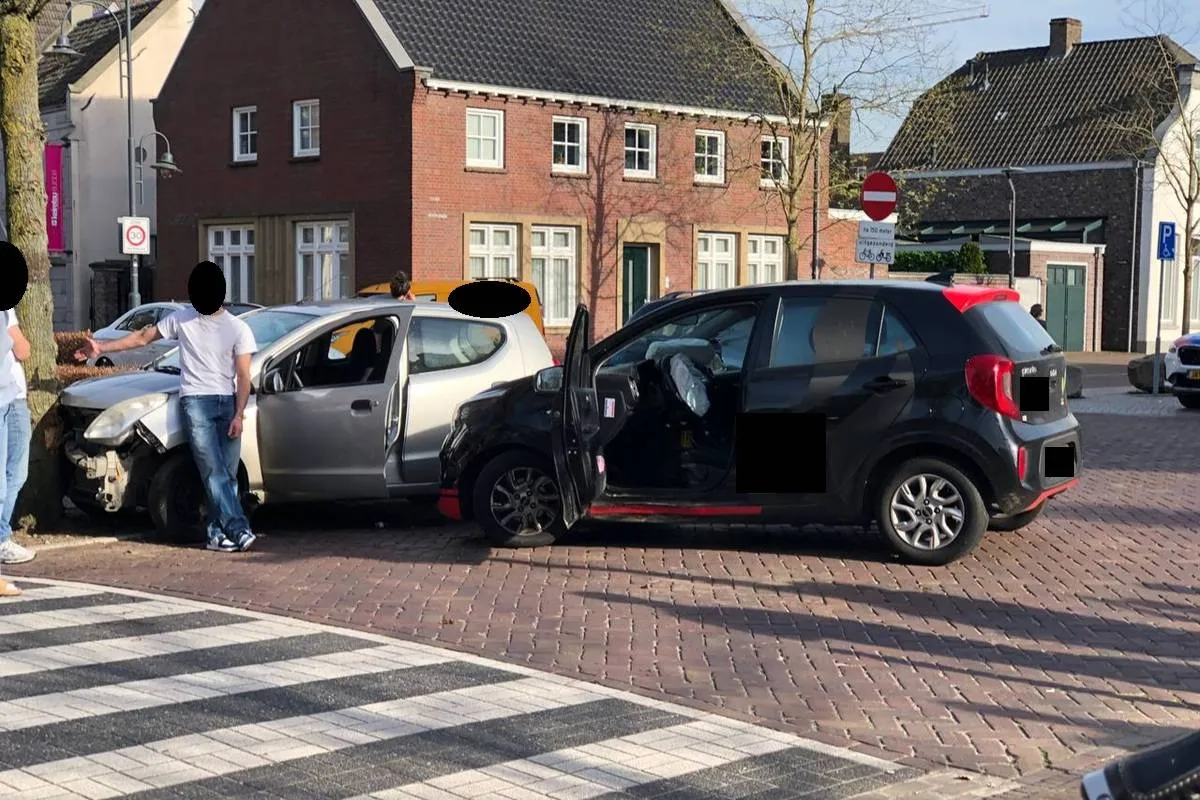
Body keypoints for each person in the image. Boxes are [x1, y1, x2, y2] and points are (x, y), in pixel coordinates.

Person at [76, 262, 258, 552]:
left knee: (227, 474)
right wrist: (101, 347)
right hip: (195, 401)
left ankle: (215, 533)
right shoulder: (182, 319)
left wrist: (239, 413)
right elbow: (142, 337)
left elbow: (244, 375)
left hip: (226, 401)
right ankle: (238, 528)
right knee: (213, 471)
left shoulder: (238, 328)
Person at [0, 308, 33, 568]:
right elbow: (22, 349)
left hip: (13, 395)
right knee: (9, 475)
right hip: (9, 398)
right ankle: (1, 537)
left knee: (13, 474)